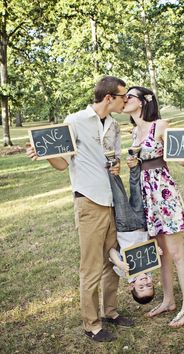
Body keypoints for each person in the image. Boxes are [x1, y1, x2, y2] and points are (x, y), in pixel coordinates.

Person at [26, 76, 134, 343]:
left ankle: (110, 311)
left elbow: (114, 159)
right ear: (109, 97)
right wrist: (45, 153)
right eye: (123, 97)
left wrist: (117, 166)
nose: (126, 101)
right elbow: (63, 164)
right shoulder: (74, 121)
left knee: (113, 261)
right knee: (92, 266)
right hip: (89, 201)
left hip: (112, 200)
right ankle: (92, 324)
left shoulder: (114, 126)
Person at [123, 86, 184, 328]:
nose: (124, 99)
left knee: (176, 253)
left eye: (128, 96)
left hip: (163, 195)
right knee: (161, 255)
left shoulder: (160, 126)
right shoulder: (133, 132)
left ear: (142, 102)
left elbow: (181, 159)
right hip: (146, 198)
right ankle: (168, 301)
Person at [106, 147, 161, 305]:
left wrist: (119, 262)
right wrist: (156, 248)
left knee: (120, 196)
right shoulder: (151, 265)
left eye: (141, 286)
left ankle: (112, 165)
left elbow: (111, 251)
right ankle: (134, 161)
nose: (145, 281)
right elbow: (150, 240)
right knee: (137, 191)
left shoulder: (126, 272)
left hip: (126, 227)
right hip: (142, 223)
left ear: (131, 287)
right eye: (149, 285)